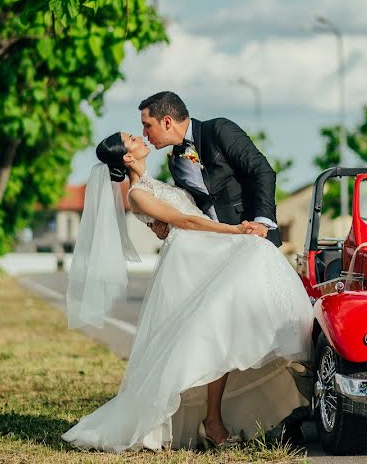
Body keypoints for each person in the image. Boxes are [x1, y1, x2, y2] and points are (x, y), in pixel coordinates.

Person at [61, 132, 313, 452]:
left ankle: (254, 398)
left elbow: (183, 214)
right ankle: (213, 422)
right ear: (126, 157)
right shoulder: (138, 193)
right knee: (211, 332)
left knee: (223, 327)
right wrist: (235, 230)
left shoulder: (160, 180)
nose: (140, 136)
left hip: (205, 253)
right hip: (189, 263)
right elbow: (185, 221)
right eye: (131, 139)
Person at [138, 91, 282, 247]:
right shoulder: (174, 162)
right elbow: (192, 208)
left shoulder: (219, 129)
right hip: (215, 245)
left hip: (254, 236)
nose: (144, 134)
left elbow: (262, 171)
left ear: (167, 122)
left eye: (147, 126)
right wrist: (168, 227)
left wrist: (262, 222)